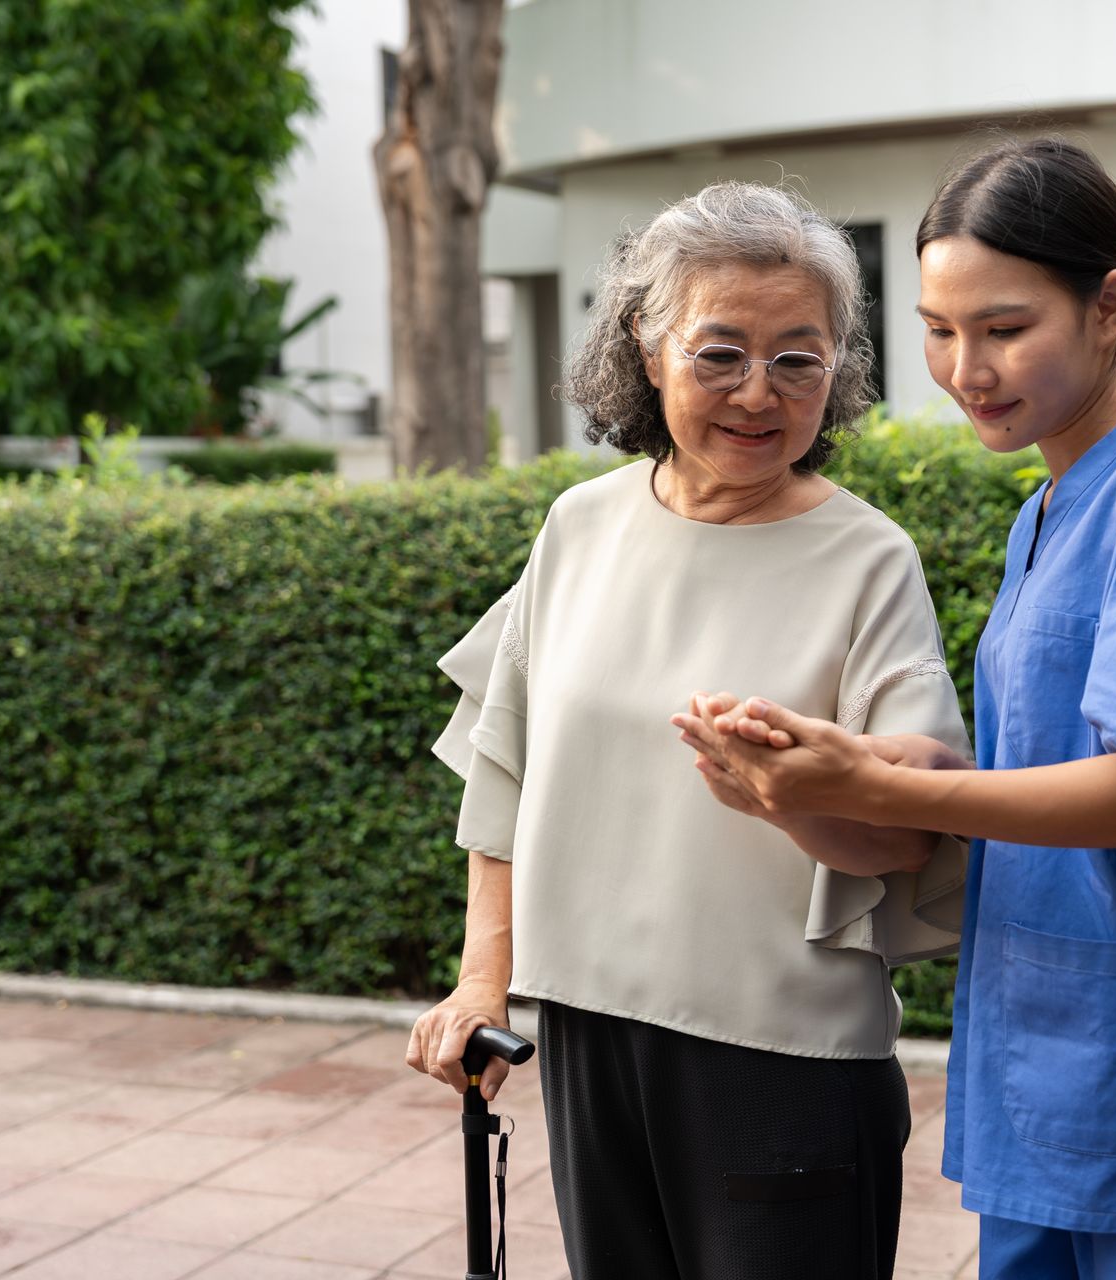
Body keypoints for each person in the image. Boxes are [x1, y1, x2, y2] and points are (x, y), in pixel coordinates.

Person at [675, 137, 1116, 1280]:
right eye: (938, 328)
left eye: (1004, 327)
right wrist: (856, 759)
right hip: (1073, 1049)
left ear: (1111, 302)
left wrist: (876, 783)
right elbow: (1049, 756)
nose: (967, 367)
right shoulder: (1052, 508)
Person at [408, 181, 972, 1279]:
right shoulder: (579, 526)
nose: (759, 394)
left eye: (797, 359)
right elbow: (506, 766)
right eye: (721, 354)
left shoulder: (869, 559)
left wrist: (799, 794)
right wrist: (485, 981)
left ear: (839, 369)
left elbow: (919, 832)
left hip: (786, 1062)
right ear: (649, 346)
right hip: (587, 1035)